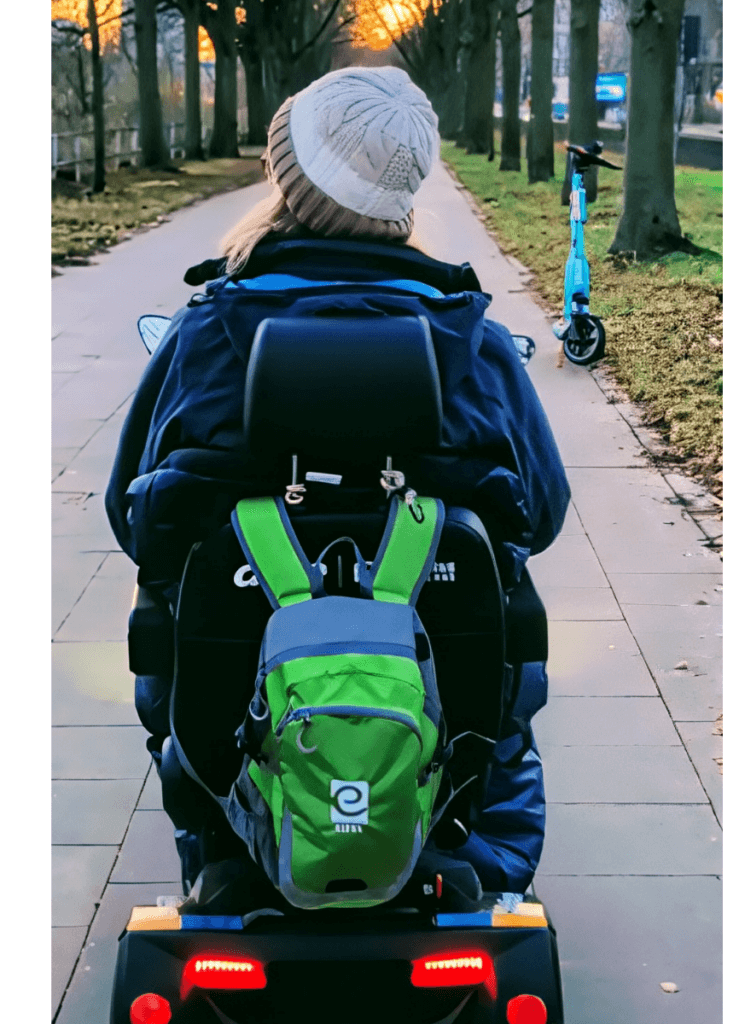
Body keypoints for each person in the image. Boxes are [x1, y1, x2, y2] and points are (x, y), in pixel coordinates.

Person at [106, 66, 570, 898]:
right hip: (444, 695)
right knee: (504, 654)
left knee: (171, 626)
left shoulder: (208, 331)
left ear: (287, 178)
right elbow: (540, 513)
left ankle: (229, 840)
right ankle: (477, 868)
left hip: (234, 709)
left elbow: (130, 514)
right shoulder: (472, 337)